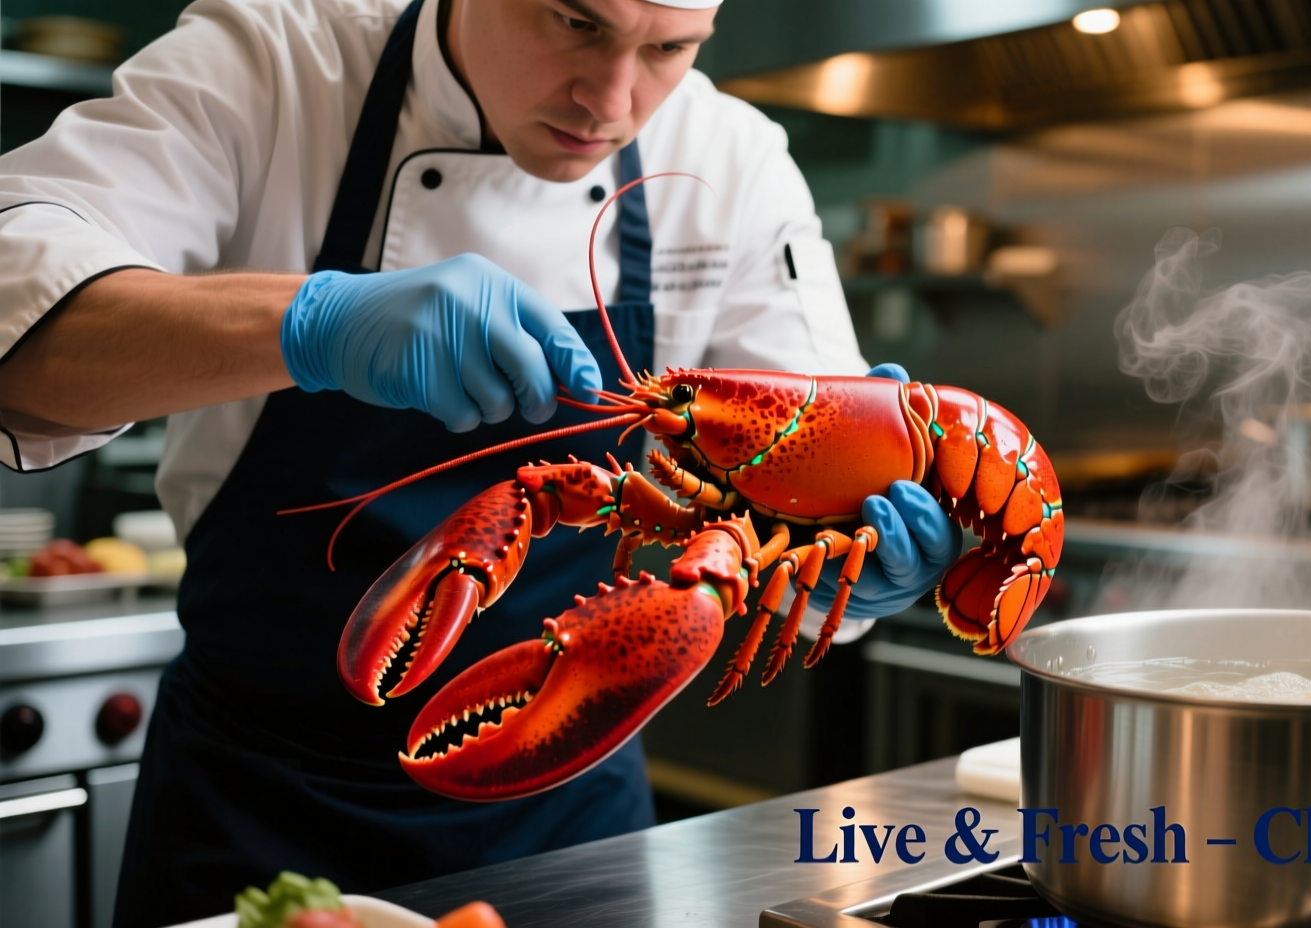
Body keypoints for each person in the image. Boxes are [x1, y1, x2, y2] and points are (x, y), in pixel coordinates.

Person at [0, 0, 960, 924]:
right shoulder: (274, 60)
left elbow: (790, 518)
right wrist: (308, 322)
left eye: (671, 48)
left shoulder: (729, 164)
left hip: (568, 798)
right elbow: (18, 303)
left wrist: (844, 566)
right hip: (256, 797)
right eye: (575, 23)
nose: (611, 100)